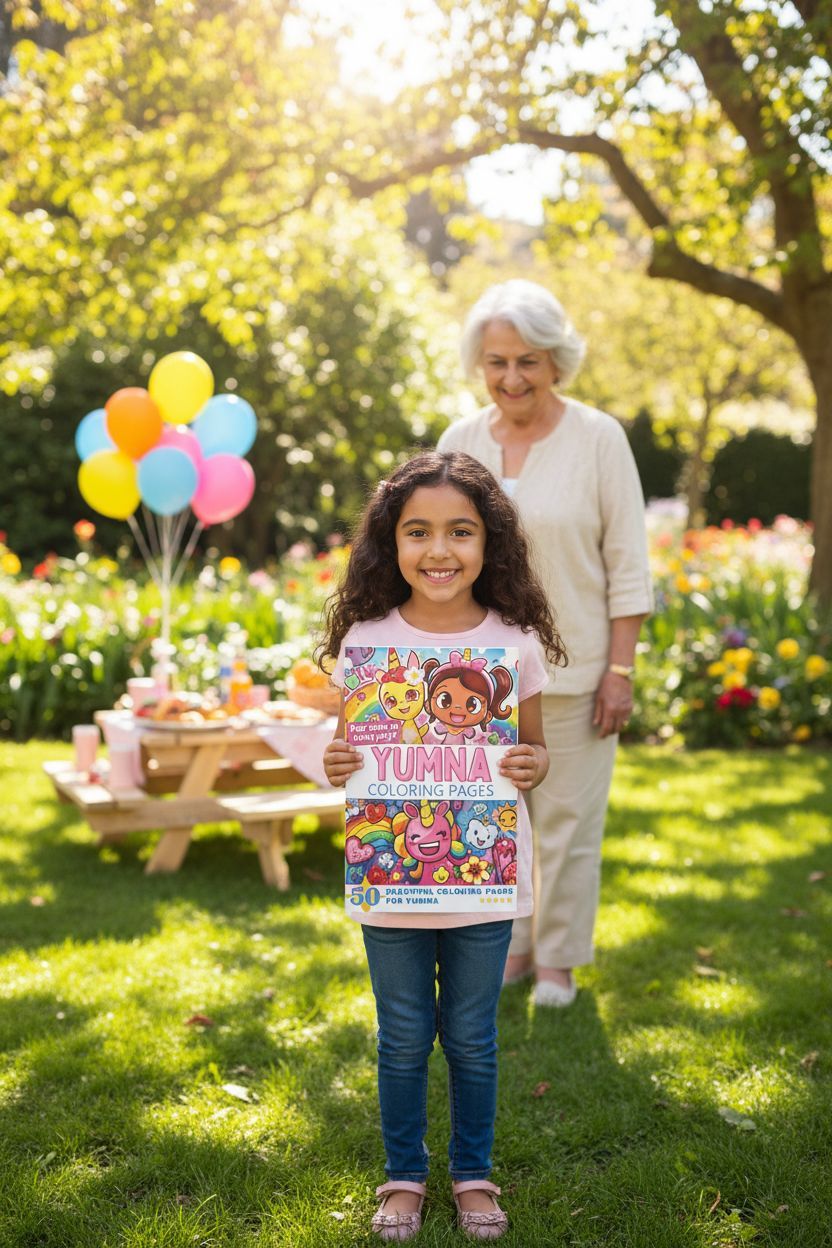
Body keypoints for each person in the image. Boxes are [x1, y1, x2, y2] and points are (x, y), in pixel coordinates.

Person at [320, 450, 566, 1242]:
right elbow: (345, 750)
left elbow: (532, 753)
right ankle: (402, 1175)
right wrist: (335, 762)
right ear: (390, 544)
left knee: (470, 1037)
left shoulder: (513, 643)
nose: (439, 551)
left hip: (481, 881)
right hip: (392, 883)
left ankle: (472, 1174)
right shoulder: (366, 641)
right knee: (401, 1037)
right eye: (418, 532)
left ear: (489, 543)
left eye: (460, 532)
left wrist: (531, 763)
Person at [438, 279, 652, 1008]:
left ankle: (557, 958)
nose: (511, 379)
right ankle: (516, 946)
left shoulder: (598, 439)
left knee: (566, 823)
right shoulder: (460, 442)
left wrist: (619, 670)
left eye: (527, 361)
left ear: (557, 360)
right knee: (495, 821)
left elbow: (628, 562)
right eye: (496, 362)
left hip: (576, 671)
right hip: (477, 678)